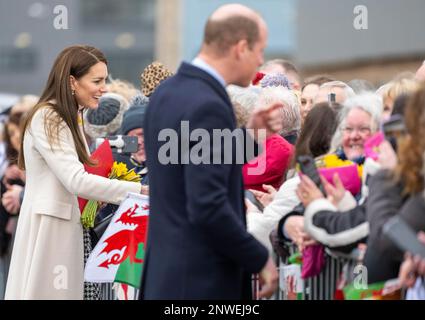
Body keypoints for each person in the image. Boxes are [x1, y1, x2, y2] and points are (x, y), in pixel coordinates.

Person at [141, 4, 279, 299]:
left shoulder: (167, 93)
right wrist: (259, 257)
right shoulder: (208, 105)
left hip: (166, 278)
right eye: (260, 51)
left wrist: (250, 137)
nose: (261, 60)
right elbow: (207, 205)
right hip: (200, 282)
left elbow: (184, 162)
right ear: (241, 48)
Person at [5, 45, 141, 300]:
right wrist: (138, 190)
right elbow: (76, 180)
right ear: (72, 82)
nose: (104, 88)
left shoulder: (67, 116)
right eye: (97, 81)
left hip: (58, 226)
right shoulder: (51, 117)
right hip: (49, 229)